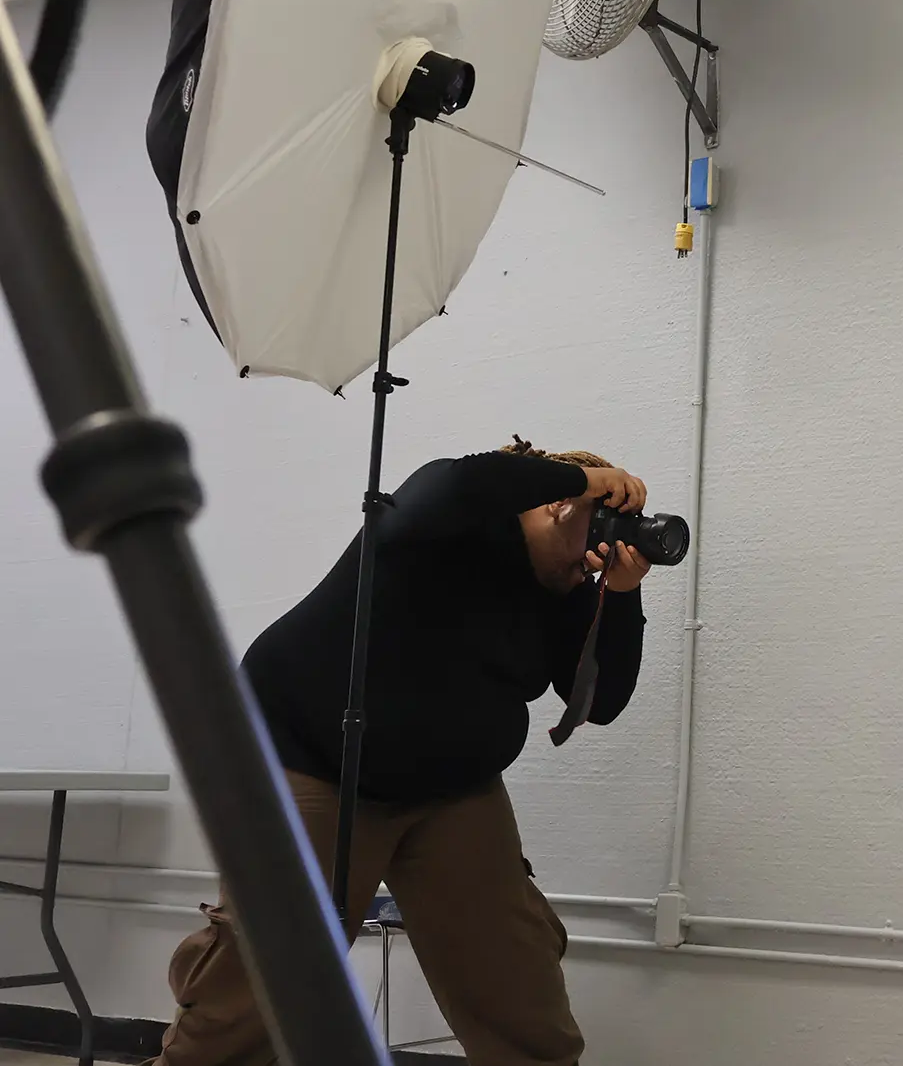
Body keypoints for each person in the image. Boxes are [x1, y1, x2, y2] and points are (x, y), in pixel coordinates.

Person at [148, 439, 655, 1066]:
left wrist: (623, 594)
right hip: (314, 760)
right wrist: (584, 476)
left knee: (511, 973)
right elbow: (456, 483)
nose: (600, 546)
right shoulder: (449, 521)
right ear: (555, 502)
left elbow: (599, 700)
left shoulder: (566, 585)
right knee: (265, 983)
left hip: (454, 788)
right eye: (598, 518)